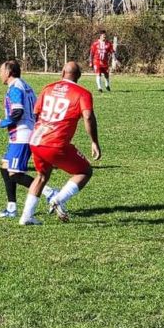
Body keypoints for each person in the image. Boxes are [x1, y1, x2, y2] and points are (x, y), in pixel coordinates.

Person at [19, 62, 101, 225]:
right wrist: (94, 142)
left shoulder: (48, 88)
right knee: (84, 172)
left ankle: (26, 216)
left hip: (36, 140)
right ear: (79, 76)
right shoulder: (82, 93)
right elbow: (88, 117)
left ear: (62, 72)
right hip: (55, 143)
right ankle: (58, 199)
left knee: (42, 176)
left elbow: (36, 114)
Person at [0, 60, 57, 218]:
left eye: (1, 71)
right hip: (23, 133)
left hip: (22, 135)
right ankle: (11, 207)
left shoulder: (15, 88)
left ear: (9, 73)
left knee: (14, 173)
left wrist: (2, 123)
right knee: (5, 167)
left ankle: (51, 193)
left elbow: (17, 113)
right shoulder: (26, 86)